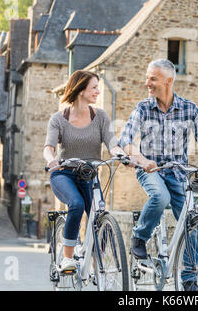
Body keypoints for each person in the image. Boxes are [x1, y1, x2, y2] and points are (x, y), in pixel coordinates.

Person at [119, 59, 198, 291]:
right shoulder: (143, 108)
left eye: (152, 79)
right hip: (150, 171)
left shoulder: (189, 108)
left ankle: (189, 281)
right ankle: (139, 237)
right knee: (160, 197)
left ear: (169, 81)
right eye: (147, 77)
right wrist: (142, 160)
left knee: (192, 222)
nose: (146, 83)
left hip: (178, 175)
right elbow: (126, 141)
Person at [44, 70, 125, 272]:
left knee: (100, 215)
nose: (98, 91)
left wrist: (120, 152)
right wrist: (51, 160)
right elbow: (49, 147)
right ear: (81, 89)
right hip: (64, 173)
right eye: (94, 87)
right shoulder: (58, 119)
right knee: (77, 204)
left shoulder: (100, 117)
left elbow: (111, 140)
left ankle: (98, 264)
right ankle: (67, 258)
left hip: (89, 175)